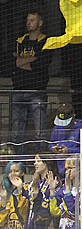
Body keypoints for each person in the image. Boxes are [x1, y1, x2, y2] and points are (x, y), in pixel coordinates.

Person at [11, 11, 51, 152]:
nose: (29, 23)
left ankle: (41, 161)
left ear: (40, 23)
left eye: (32, 20)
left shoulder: (46, 41)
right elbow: (12, 63)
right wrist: (32, 60)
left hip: (37, 90)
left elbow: (42, 64)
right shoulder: (20, 41)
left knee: (39, 131)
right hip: (18, 89)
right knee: (17, 132)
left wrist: (21, 61)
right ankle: (18, 161)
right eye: (28, 20)